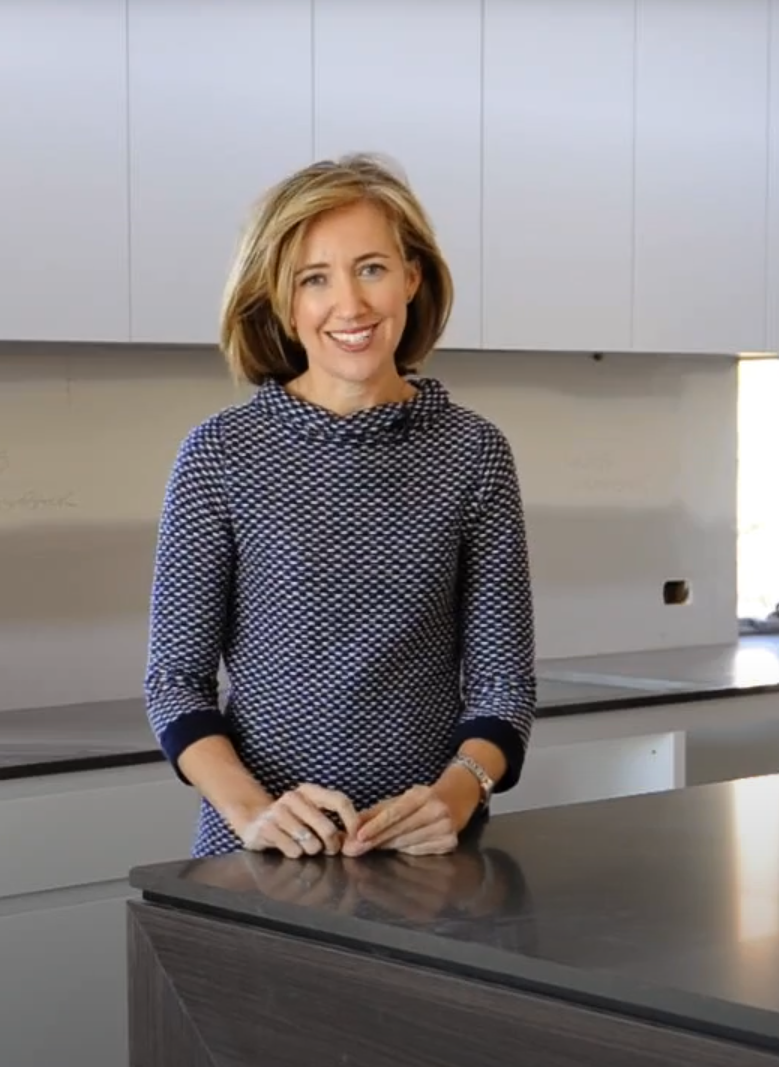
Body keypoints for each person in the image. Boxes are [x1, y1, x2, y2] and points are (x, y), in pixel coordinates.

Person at [143, 153, 536, 860]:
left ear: (412, 277)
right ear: (282, 301)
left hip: (431, 862)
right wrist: (256, 813)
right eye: (314, 279)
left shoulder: (474, 453)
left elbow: (503, 686)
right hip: (257, 857)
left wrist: (453, 798)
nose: (350, 305)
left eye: (372, 268)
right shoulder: (220, 454)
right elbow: (176, 684)